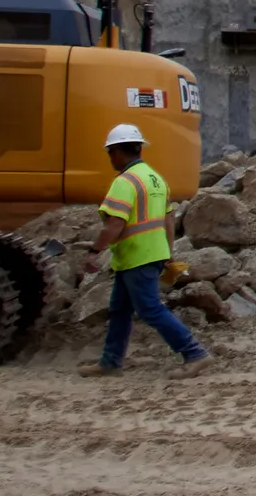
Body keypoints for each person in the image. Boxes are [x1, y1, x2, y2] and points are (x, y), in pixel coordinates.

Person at [86, 120, 207, 376]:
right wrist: (168, 252)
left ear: (117, 152)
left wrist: (94, 252)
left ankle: (194, 353)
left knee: (150, 309)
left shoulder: (125, 182)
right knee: (120, 309)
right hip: (149, 254)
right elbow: (168, 220)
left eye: (110, 153)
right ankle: (110, 361)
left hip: (137, 256)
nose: (111, 159)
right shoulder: (155, 179)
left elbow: (114, 225)